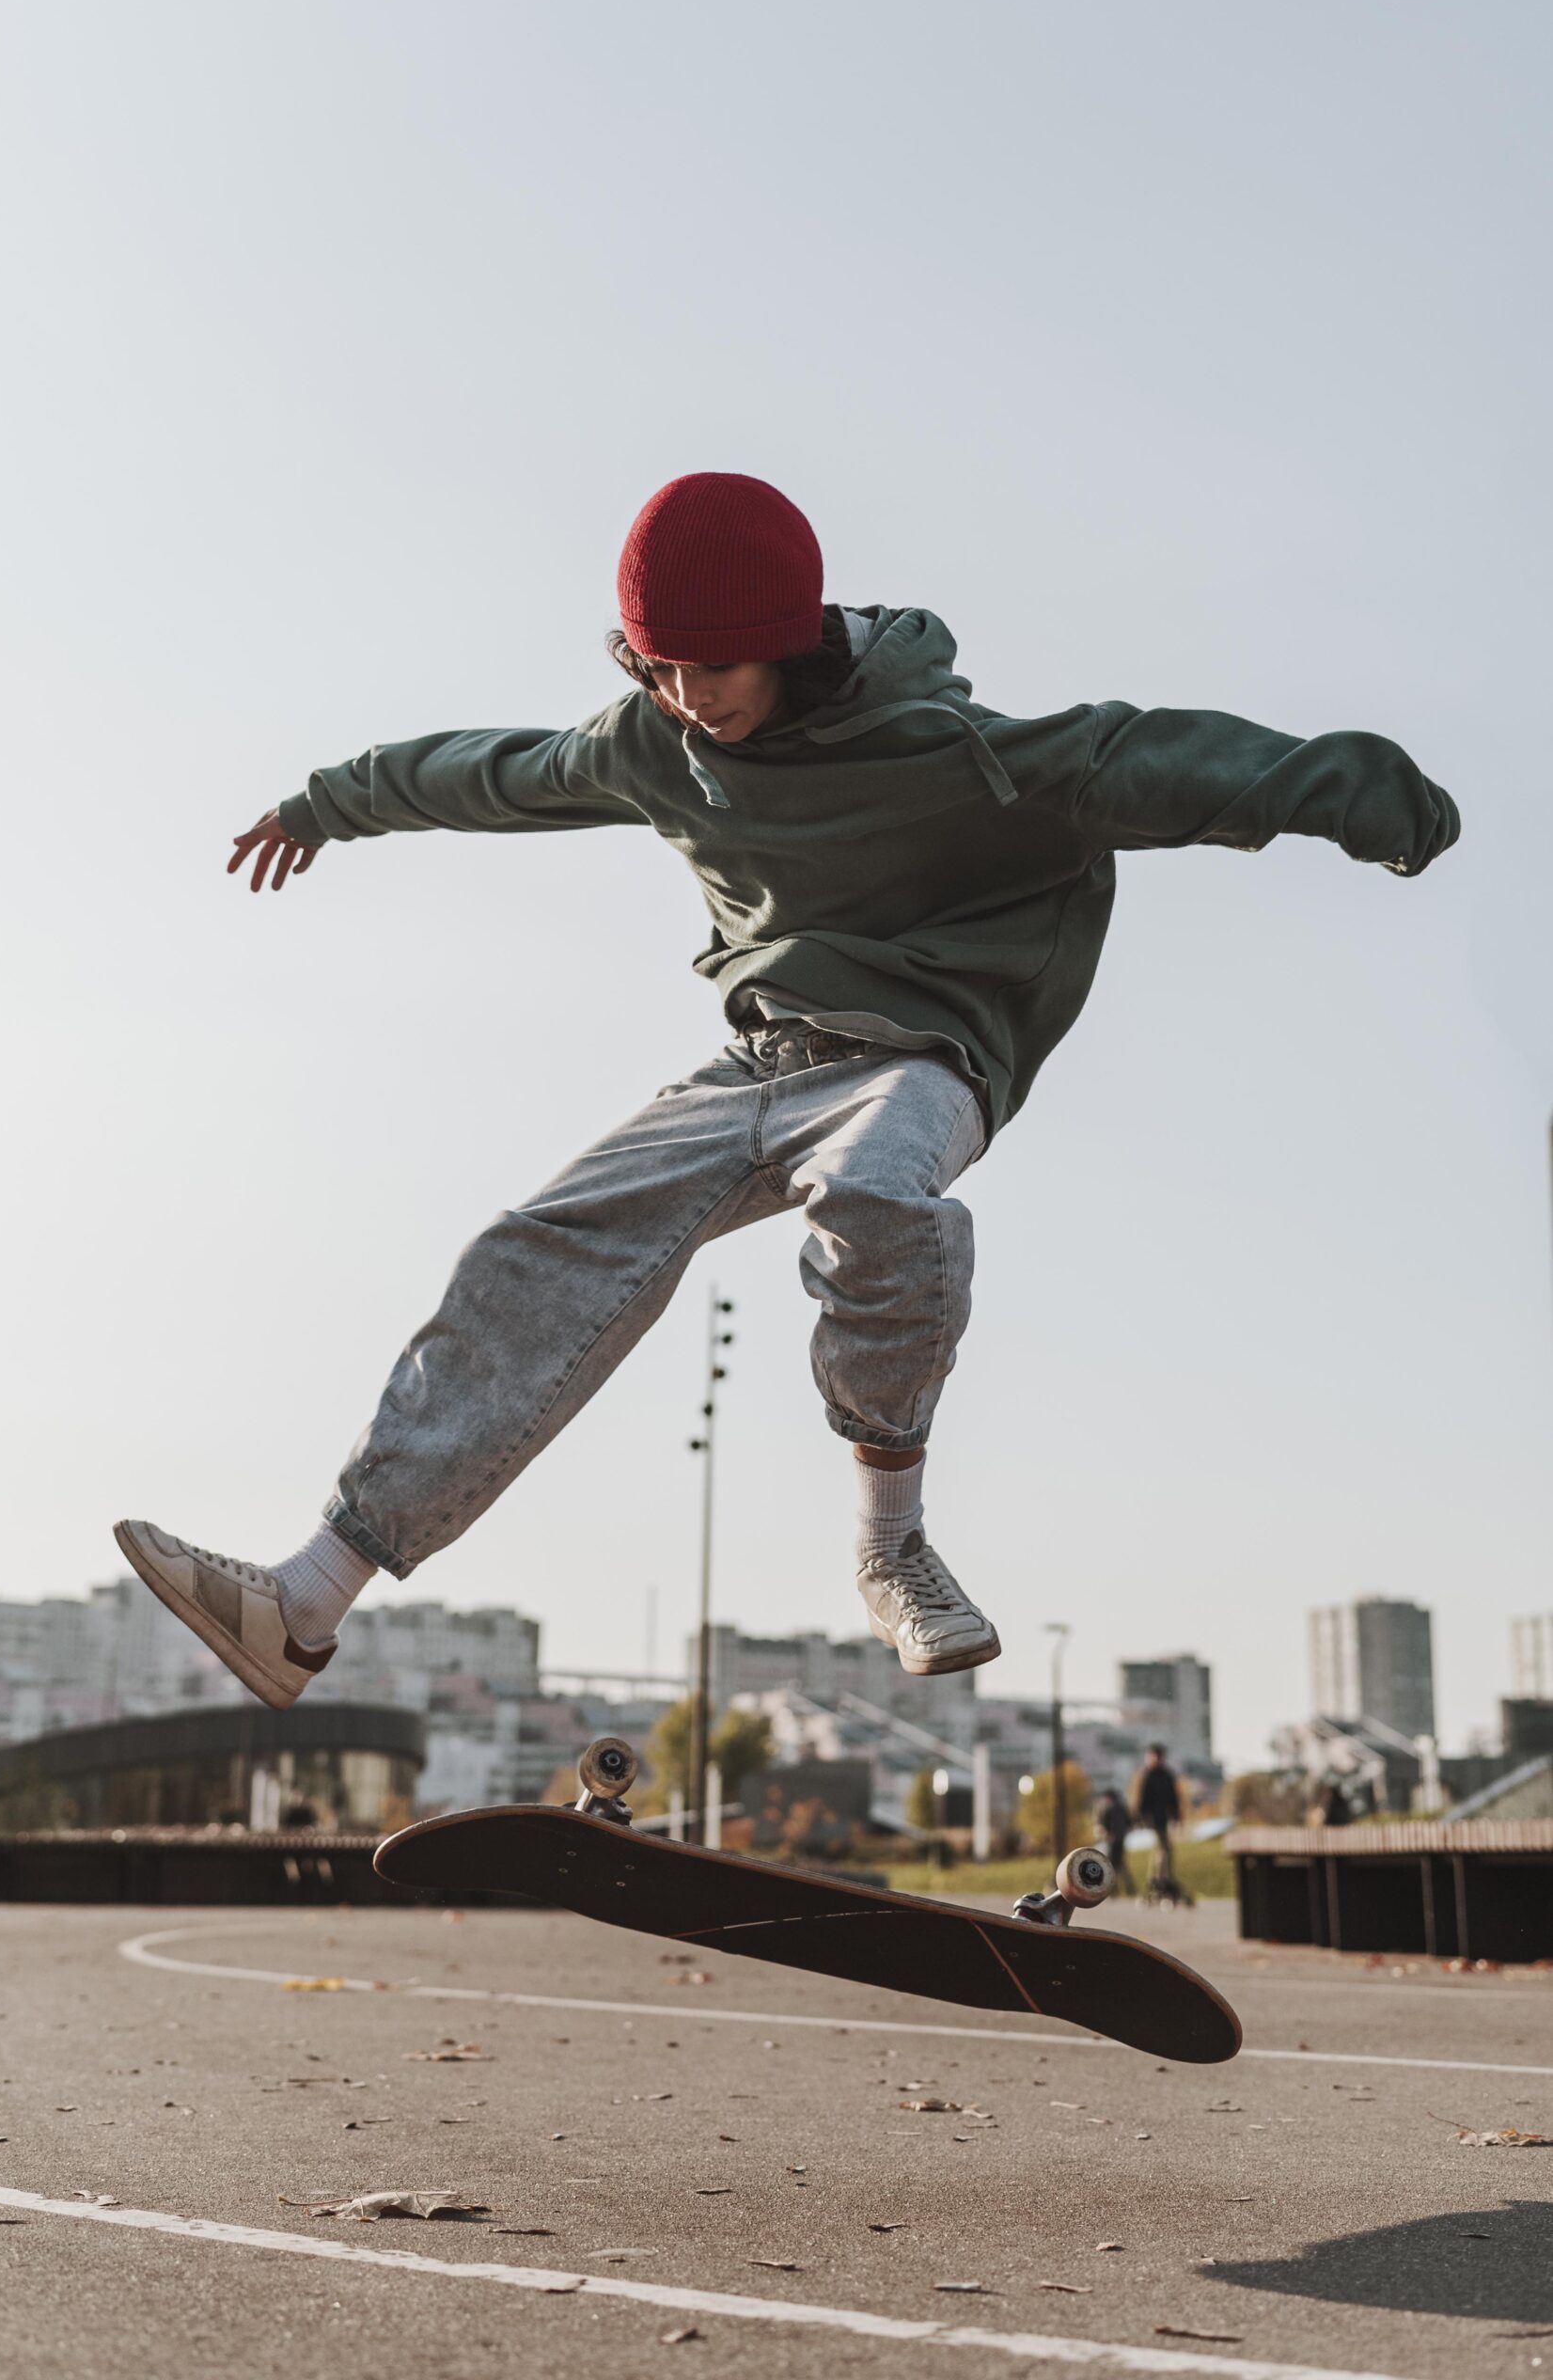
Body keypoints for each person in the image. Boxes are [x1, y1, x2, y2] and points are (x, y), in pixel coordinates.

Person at [113, 471, 1459, 1713]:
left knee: (875, 1194)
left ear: (790, 640)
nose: (692, 697)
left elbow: (1155, 759)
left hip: (921, 1058)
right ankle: (303, 1603)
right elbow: (493, 771)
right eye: (663, 669)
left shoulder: (943, 744)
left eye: (716, 667)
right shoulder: (650, 739)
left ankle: (891, 1548)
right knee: (529, 1252)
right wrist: (327, 803)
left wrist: (1358, 795)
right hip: (755, 1062)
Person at [1132, 1743, 1184, 1898]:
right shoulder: (1147, 1775)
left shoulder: (1166, 1775)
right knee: (1163, 1848)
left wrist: (1176, 1816)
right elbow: (1142, 1799)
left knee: (1163, 1849)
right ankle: (1159, 1879)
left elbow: (1173, 1797)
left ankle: (1160, 1877)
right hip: (1153, 1818)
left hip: (1163, 1818)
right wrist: (1142, 1817)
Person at [1094, 1786, 1135, 1896]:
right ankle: (1129, 1889)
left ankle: (1113, 1890)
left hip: (1111, 1840)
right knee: (1121, 1865)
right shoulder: (1122, 1807)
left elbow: (1103, 1824)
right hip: (1121, 1839)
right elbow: (1129, 1823)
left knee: (1110, 1866)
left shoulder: (1107, 1808)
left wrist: (1106, 1834)